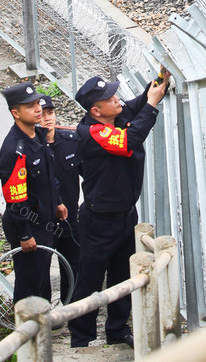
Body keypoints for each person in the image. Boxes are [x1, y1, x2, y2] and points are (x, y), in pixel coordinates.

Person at [67, 70, 170, 349]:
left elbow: (136, 103)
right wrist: (151, 106)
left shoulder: (116, 115)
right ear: (96, 110)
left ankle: (116, 329)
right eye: (110, 98)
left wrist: (160, 79)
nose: (117, 99)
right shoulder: (92, 131)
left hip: (125, 213)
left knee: (122, 275)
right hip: (99, 219)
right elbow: (128, 140)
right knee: (90, 278)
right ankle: (81, 336)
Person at [0, 82, 67, 304]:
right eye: (30, 106)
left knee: (41, 278)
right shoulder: (14, 149)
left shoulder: (38, 135)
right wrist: (25, 235)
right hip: (28, 224)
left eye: (37, 103)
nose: (38, 109)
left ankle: (43, 327)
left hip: (45, 219)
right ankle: (27, 332)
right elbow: (15, 200)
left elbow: (48, 176)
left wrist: (58, 202)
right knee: (29, 284)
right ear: (15, 113)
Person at [37, 93, 80, 304]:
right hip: (42, 220)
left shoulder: (70, 141)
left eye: (51, 113)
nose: (47, 119)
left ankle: (70, 309)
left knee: (73, 266)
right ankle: (44, 316)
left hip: (70, 219)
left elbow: (88, 173)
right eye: (42, 114)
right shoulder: (31, 147)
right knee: (41, 269)